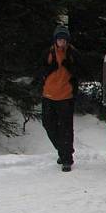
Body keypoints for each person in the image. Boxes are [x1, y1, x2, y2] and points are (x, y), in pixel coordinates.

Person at [39, 24, 83, 172]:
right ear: (55, 40)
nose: (62, 42)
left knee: (65, 128)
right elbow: (39, 70)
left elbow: (81, 71)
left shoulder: (73, 53)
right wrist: (47, 71)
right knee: (48, 124)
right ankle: (63, 150)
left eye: (64, 40)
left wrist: (69, 67)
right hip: (48, 94)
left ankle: (66, 158)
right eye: (60, 40)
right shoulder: (48, 53)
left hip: (66, 95)